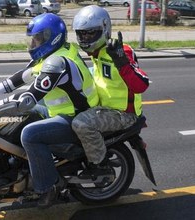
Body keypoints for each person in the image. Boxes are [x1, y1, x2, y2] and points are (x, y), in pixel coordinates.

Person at [0, 13, 99, 208]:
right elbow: (20, 78)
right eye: (33, 38)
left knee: (30, 135)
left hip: (76, 117)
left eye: (38, 38)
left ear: (52, 37)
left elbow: (28, 98)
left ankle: (48, 187)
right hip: (59, 112)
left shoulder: (57, 63)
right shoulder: (51, 55)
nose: (34, 43)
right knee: (20, 119)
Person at [71, 5, 150, 179]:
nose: (85, 38)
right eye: (81, 33)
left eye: (91, 33)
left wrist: (122, 61)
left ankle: (100, 166)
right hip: (105, 108)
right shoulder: (96, 52)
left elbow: (141, 85)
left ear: (104, 29)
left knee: (81, 124)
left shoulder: (121, 51)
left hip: (123, 114)